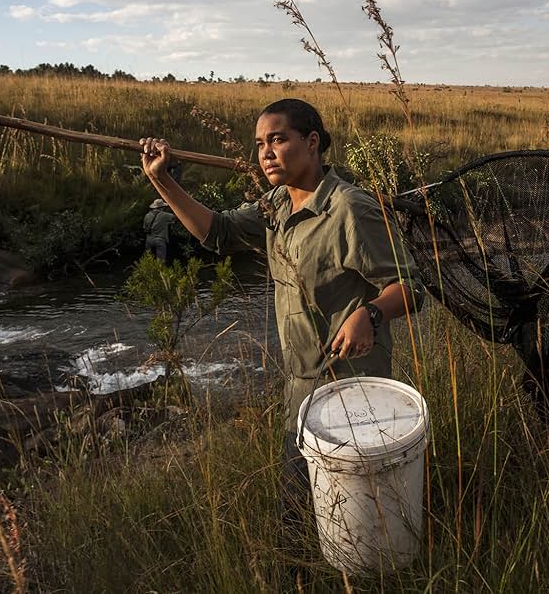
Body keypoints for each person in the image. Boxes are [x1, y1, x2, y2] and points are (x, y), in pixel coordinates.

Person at [139, 98, 423, 538]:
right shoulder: (275, 206)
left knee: (360, 520)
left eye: (278, 140)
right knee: (299, 512)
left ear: (312, 143)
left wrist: (369, 313)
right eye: (259, 144)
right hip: (300, 387)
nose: (266, 153)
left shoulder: (349, 209)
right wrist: (161, 181)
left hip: (351, 391)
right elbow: (218, 233)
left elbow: (408, 286)